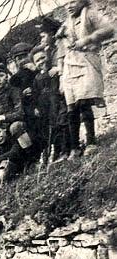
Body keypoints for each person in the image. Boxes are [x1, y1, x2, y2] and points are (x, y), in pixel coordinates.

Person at [56, 0, 115, 157]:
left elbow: (109, 29)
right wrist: (61, 74)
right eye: (65, 4)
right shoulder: (66, 23)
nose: (69, 6)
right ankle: (75, 147)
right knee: (71, 107)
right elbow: (61, 51)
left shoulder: (90, 14)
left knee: (84, 102)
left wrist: (87, 39)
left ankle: (91, 142)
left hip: (87, 60)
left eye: (73, 1)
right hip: (70, 66)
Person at [32, 45, 71, 163]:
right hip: (46, 108)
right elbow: (36, 95)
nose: (41, 61)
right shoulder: (37, 78)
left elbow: (63, 77)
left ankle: (66, 150)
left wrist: (58, 70)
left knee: (63, 124)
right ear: (34, 64)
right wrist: (36, 107)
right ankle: (56, 153)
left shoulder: (54, 71)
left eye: (43, 58)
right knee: (52, 130)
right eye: (37, 60)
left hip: (58, 103)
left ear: (47, 57)